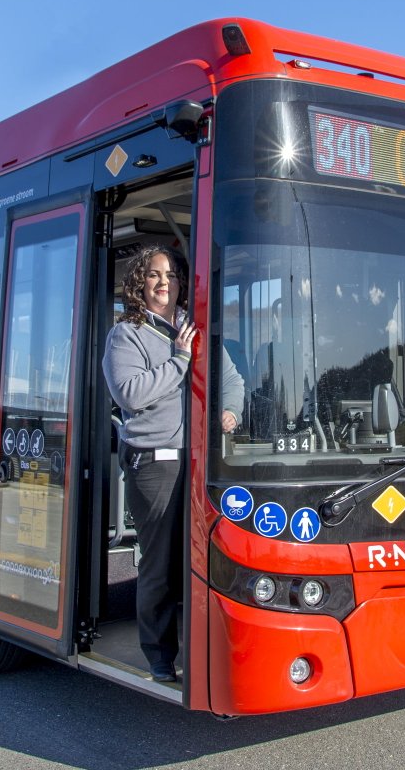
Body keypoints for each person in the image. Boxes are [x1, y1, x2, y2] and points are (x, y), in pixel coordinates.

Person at [101, 246, 243, 683]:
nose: (164, 282)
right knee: (160, 563)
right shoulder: (126, 334)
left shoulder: (192, 330)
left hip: (203, 461)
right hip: (155, 463)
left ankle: (203, 652)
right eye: (154, 275)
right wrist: (179, 360)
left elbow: (232, 379)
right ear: (140, 284)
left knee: (200, 557)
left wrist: (231, 411)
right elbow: (129, 392)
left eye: (172, 275)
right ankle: (160, 656)